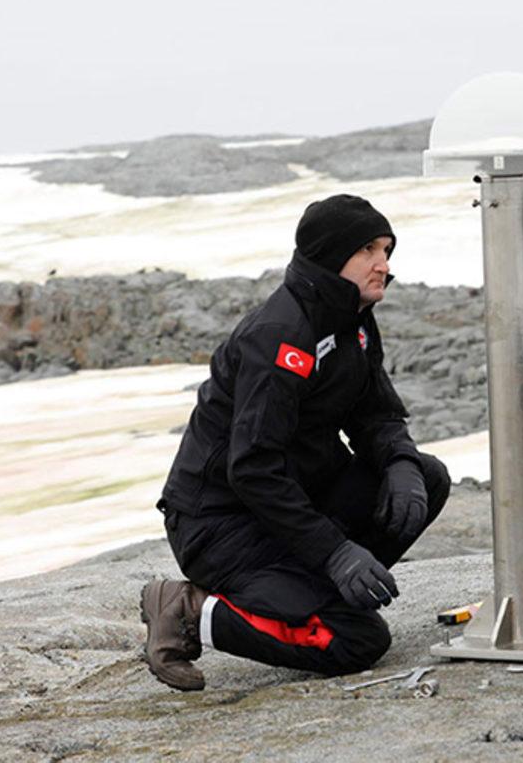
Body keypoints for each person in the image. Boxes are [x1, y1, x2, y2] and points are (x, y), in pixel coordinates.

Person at [140, 194, 451, 691]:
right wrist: (336, 553)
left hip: (294, 498)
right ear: (331, 255)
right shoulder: (281, 336)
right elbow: (253, 470)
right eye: (368, 249)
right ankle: (189, 607)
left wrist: (399, 462)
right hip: (222, 522)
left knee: (424, 478)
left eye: (387, 249)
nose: (383, 264)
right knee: (358, 642)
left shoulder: (352, 318)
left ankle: (311, 597)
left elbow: (376, 413)